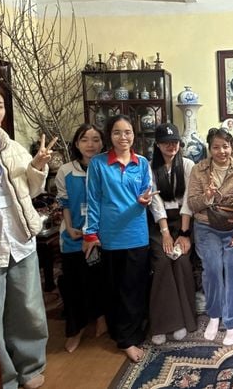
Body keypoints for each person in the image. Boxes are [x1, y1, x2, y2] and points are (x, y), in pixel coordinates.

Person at [0, 79, 52, 389]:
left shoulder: (11, 146)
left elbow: (32, 189)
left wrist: (38, 166)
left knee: (28, 310)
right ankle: (3, 377)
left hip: (20, 236)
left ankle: (30, 369)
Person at [83, 114, 155, 363]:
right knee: (115, 288)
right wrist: (90, 233)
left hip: (137, 234)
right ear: (109, 136)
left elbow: (146, 192)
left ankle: (130, 335)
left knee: (134, 287)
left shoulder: (142, 162)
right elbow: (93, 199)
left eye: (127, 132)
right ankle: (123, 337)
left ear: (134, 135)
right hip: (111, 235)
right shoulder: (98, 163)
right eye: (117, 132)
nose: (123, 137)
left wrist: (145, 200)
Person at [187, 127, 233, 346]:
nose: (222, 151)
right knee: (212, 267)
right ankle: (214, 315)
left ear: (231, 147)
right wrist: (207, 197)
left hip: (232, 227)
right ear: (209, 149)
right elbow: (192, 204)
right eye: (216, 147)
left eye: (225, 146)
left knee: (231, 267)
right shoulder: (199, 169)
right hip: (206, 226)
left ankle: (232, 321)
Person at [55, 123, 107, 353]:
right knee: (74, 283)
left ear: (103, 143)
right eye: (85, 139)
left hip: (101, 236)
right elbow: (64, 202)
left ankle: (102, 317)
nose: (90, 145)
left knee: (100, 280)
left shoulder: (106, 167)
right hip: (73, 235)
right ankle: (75, 329)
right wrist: (69, 227)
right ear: (76, 144)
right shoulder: (66, 171)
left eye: (96, 139)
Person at [148, 123, 197, 345]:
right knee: (162, 261)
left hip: (183, 220)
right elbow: (155, 201)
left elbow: (188, 200)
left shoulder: (187, 165)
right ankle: (163, 323)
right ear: (158, 145)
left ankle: (185, 320)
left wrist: (184, 233)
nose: (171, 146)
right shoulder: (149, 167)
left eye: (175, 142)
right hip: (160, 223)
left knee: (182, 260)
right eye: (166, 142)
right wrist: (165, 233)